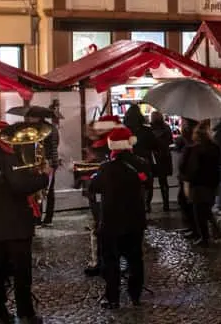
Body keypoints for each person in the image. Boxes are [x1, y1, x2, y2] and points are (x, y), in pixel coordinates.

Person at [0, 119, 51, 324]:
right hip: (14, 224)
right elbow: (19, 185)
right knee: (21, 272)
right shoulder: (7, 157)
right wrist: (43, 177)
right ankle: (26, 313)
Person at [89, 126, 150, 309]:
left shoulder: (106, 168)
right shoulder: (141, 163)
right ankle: (135, 296)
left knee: (111, 262)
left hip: (111, 222)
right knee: (135, 259)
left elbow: (94, 188)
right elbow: (147, 183)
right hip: (135, 220)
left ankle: (113, 298)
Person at [80, 116, 120, 277]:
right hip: (104, 193)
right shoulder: (103, 145)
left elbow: (98, 171)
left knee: (100, 226)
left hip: (102, 194)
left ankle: (101, 262)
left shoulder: (103, 146)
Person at [181, 119, 221, 245]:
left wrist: (187, 181)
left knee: (199, 212)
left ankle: (205, 238)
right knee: (207, 208)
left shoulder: (195, 149)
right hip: (212, 184)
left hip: (198, 185)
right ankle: (215, 230)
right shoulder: (215, 147)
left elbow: (192, 169)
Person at [23, 109, 60, 225]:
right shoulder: (49, 128)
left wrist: (51, 163)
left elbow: (52, 146)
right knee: (42, 190)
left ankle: (43, 218)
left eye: (31, 117)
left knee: (44, 190)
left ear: (38, 117)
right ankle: (42, 217)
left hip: (46, 162)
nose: (29, 119)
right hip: (45, 162)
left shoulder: (46, 129)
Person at [122, 106, 158, 212]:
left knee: (131, 184)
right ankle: (146, 204)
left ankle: (133, 204)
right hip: (144, 160)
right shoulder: (146, 130)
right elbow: (154, 145)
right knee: (147, 183)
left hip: (129, 160)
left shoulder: (123, 131)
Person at [173, 118, 198, 239]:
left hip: (188, 178)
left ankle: (195, 229)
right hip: (188, 177)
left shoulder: (191, 144)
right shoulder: (192, 142)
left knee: (187, 202)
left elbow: (186, 163)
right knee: (188, 203)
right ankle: (193, 228)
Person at [148, 111, 174, 211]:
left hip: (153, 157)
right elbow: (171, 141)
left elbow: (148, 143)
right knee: (163, 182)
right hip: (164, 156)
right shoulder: (166, 127)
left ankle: (148, 205)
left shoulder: (148, 129)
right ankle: (166, 204)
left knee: (149, 182)